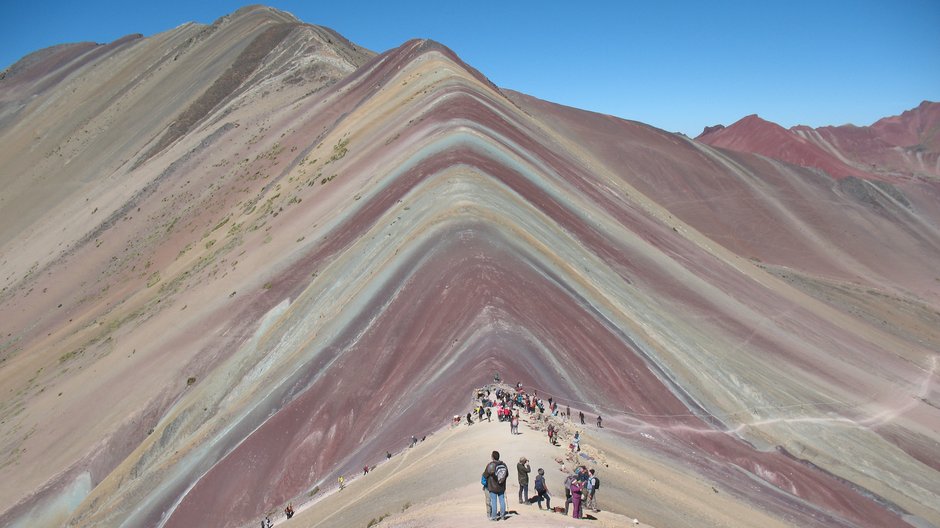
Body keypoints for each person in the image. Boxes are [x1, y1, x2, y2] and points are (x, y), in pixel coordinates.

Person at [482, 450, 509, 521]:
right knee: (502, 500)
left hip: (492, 487)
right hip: (501, 486)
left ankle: (494, 517)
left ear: (492, 457)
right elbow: (507, 474)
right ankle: (503, 516)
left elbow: (485, 475)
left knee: (494, 502)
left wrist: (484, 484)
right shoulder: (504, 464)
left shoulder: (490, 465)